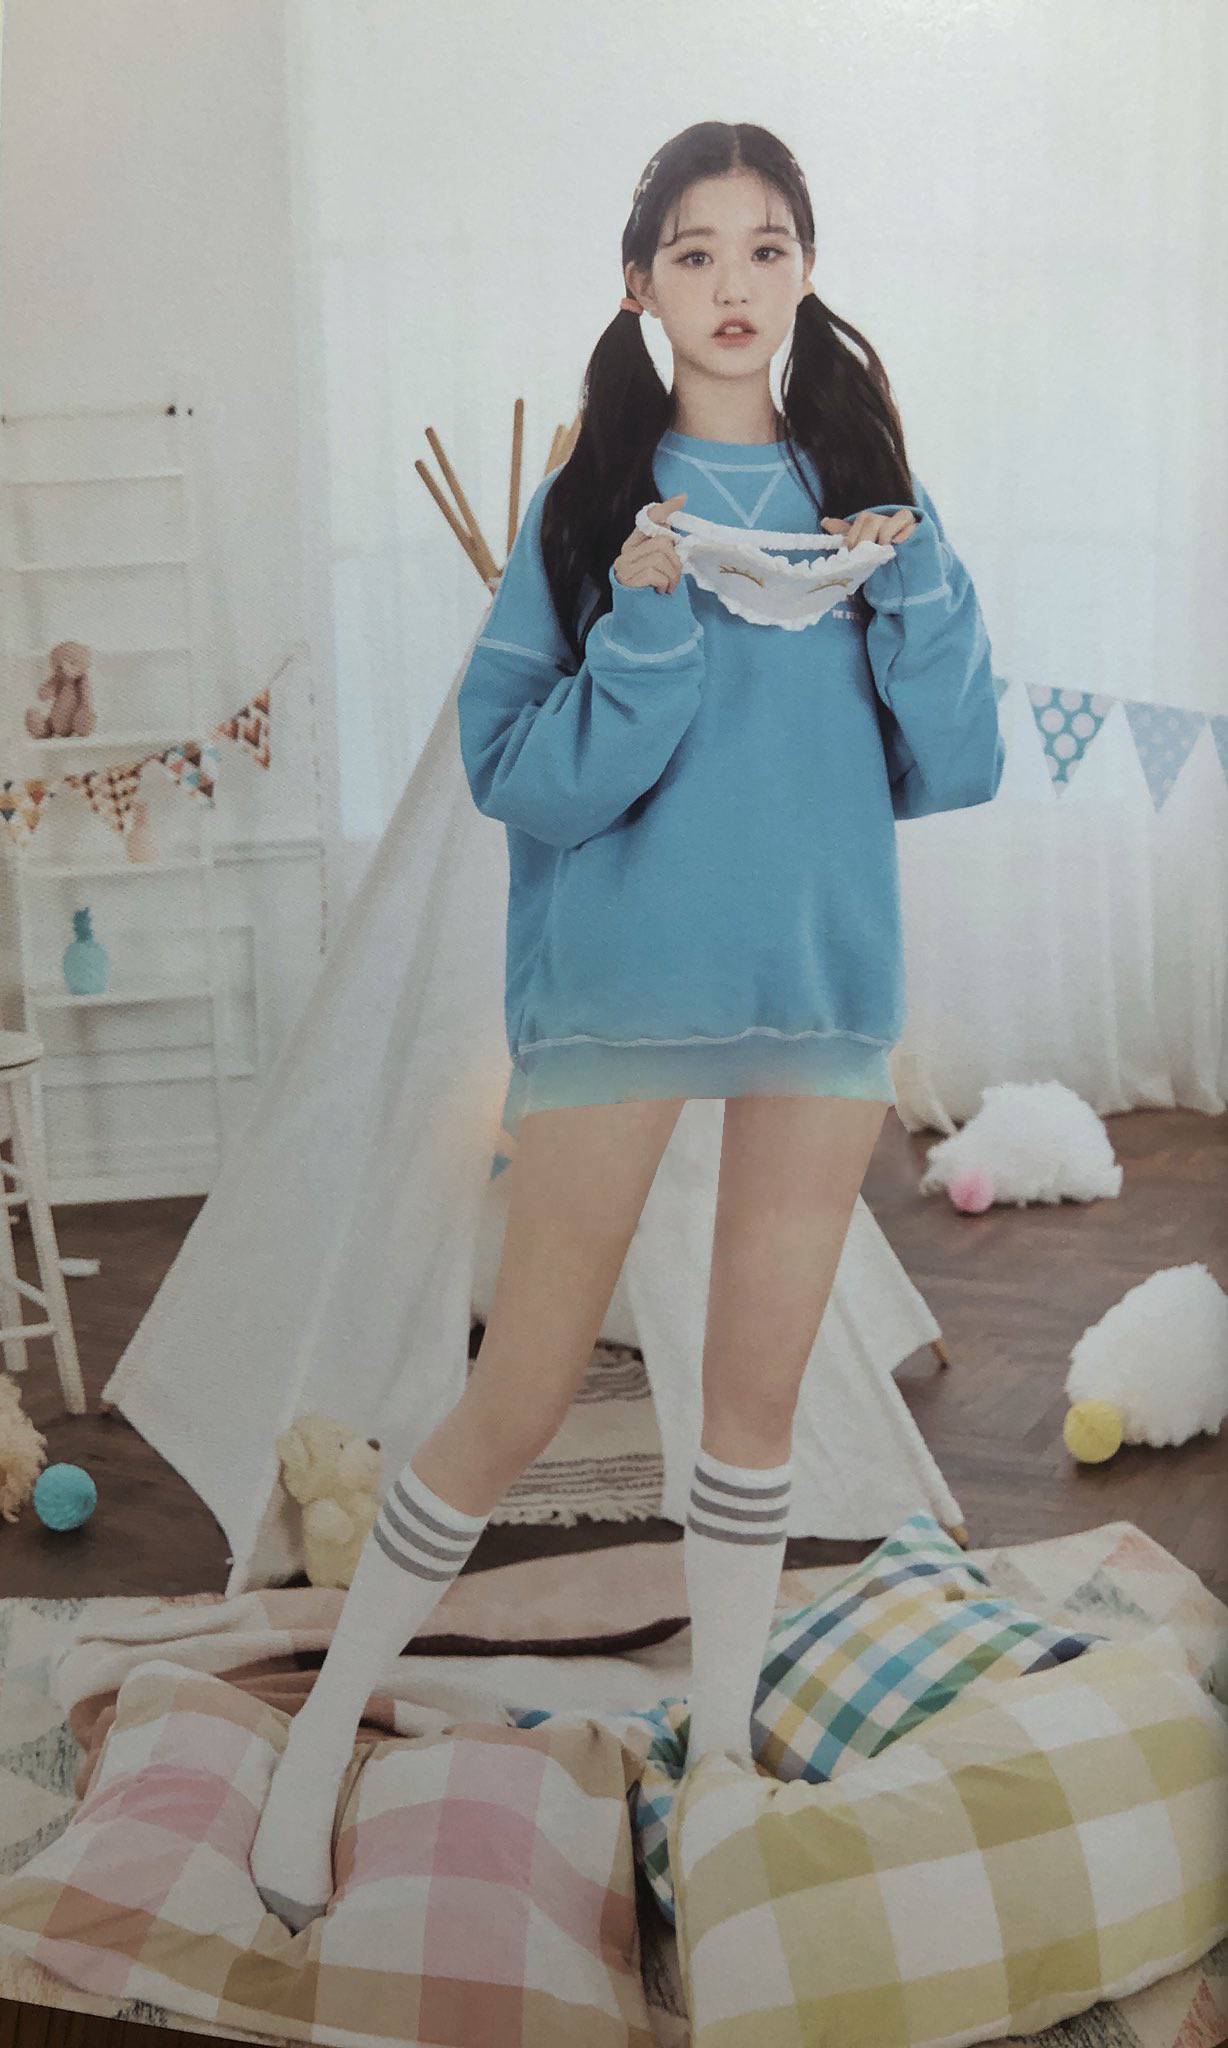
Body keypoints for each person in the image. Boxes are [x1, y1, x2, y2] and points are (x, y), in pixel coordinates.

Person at [251, 118, 1004, 1932]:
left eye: (766, 247)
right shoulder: (591, 506)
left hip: (818, 992)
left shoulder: (869, 489)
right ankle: (322, 1727)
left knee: (753, 1413)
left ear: (808, 267)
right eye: (695, 251)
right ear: (640, 283)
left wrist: (908, 579)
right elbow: (522, 777)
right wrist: (649, 631)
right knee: (518, 1394)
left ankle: (722, 1765)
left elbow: (958, 762)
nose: (734, 285)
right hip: (615, 995)